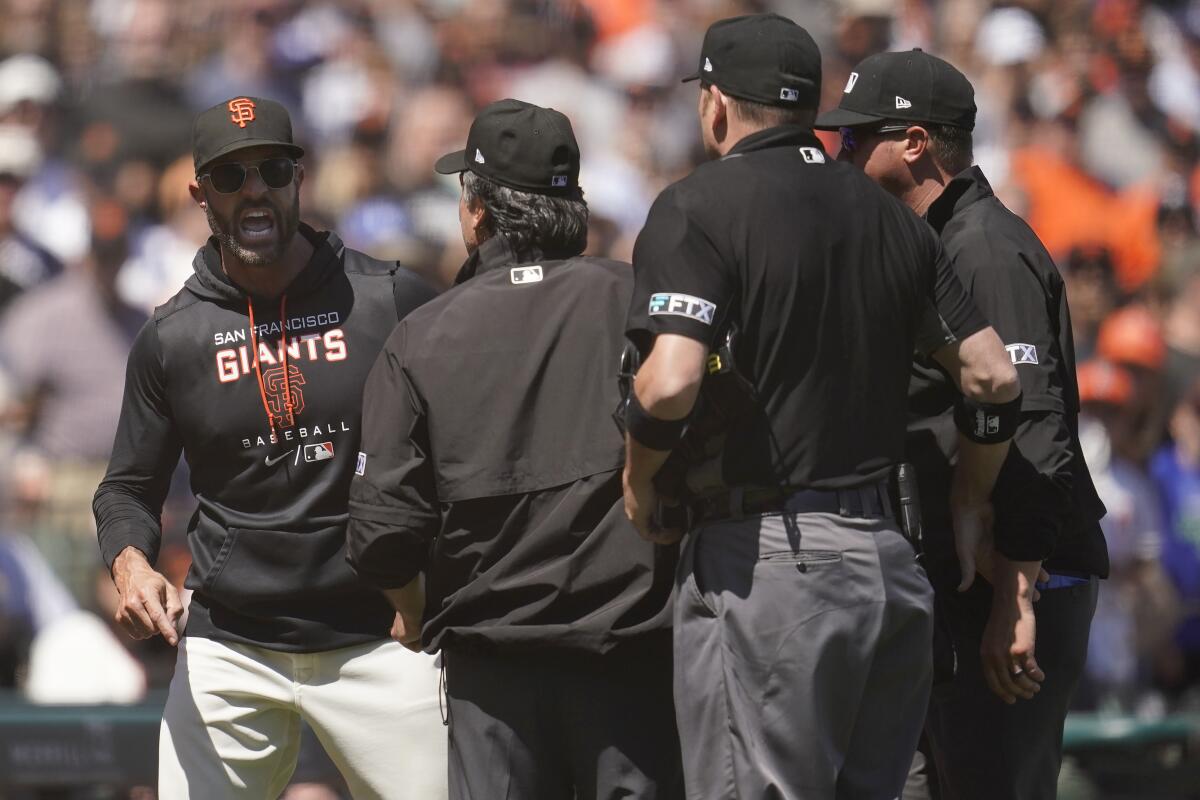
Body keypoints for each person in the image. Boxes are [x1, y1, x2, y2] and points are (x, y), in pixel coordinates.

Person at [621, 14, 1021, 800]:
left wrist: (639, 481)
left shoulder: (698, 205)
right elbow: (992, 375)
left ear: (715, 104)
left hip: (768, 565)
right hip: (887, 563)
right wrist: (972, 496)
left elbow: (668, 383)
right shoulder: (890, 217)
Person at [92, 96, 447, 799]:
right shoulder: (173, 338)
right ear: (198, 194)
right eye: (230, 177)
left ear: (298, 180)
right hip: (232, 645)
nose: (253, 189)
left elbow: (470, 434)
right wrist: (131, 566)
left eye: (271, 170)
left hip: (385, 636)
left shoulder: (390, 299)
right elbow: (127, 489)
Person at [346, 99, 683, 800]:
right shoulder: (639, 301)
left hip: (492, 676)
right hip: (634, 660)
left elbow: (381, 528)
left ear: (477, 212)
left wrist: (410, 606)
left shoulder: (422, 334)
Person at [816, 49, 1110, 799]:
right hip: (972, 577)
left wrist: (1014, 594)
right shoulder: (935, 243)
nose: (839, 152)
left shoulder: (981, 248)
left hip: (1017, 580)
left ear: (915, 143)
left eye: (856, 137)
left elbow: (1034, 425)